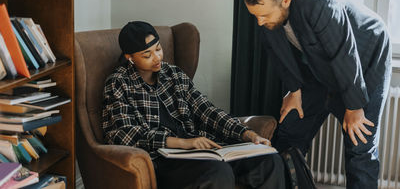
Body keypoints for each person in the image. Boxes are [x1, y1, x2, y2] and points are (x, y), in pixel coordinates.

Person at [241, 0, 392, 189]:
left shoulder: (318, 2)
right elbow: (276, 50)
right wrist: (294, 89)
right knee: (289, 132)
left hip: (364, 55)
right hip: (318, 63)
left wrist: (354, 106)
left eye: (264, 16)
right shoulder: (267, 4)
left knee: (359, 143)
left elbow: (344, 53)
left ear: (286, 0)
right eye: (255, 15)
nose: (259, 22)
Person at [102, 21, 286, 189]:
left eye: (158, 49)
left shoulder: (172, 74)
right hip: (162, 159)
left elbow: (205, 109)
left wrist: (248, 134)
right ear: (129, 57)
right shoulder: (119, 82)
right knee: (218, 173)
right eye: (147, 55)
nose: (157, 57)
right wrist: (182, 143)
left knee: (268, 160)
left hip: (198, 151)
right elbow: (123, 134)